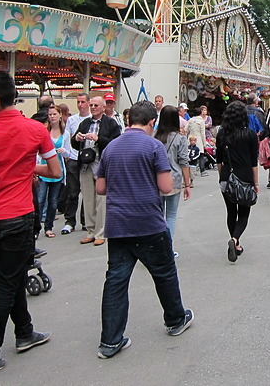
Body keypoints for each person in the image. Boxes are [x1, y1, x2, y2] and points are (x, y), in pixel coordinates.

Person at [0, 71, 61, 375]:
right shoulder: (35, 129)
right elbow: (54, 171)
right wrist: (26, 168)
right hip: (19, 215)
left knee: (12, 275)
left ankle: (24, 332)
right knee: (8, 282)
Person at [95, 100, 193, 360]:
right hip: (147, 222)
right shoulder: (153, 146)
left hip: (117, 225)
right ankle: (175, 319)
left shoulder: (111, 147)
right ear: (151, 122)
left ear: (129, 120)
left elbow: (100, 188)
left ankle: (110, 341)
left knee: (116, 280)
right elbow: (164, 186)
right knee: (164, 273)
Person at [72, 96, 121, 246]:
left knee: (102, 200)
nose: (93, 107)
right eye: (91, 105)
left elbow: (115, 143)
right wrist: (77, 138)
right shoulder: (85, 123)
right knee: (87, 199)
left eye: (96, 105)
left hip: (101, 165)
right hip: (86, 165)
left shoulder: (110, 123)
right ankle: (90, 231)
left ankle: (101, 232)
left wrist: (98, 138)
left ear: (103, 107)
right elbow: (73, 143)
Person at [216, 101, 259, 262]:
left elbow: (218, 161)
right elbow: (254, 162)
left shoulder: (221, 134)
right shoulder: (250, 134)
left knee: (231, 212)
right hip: (245, 176)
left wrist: (222, 178)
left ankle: (236, 242)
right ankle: (234, 240)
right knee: (244, 213)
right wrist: (256, 183)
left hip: (227, 177)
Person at [154, 106, 191, 253]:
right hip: (174, 179)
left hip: (156, 179)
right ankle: (167, 248)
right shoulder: (180, 138)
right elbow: (184, 161)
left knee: (158, 215)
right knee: (171, 215)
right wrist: (187, 184)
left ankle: (157, 247)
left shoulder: (154, 137)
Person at [61, 93, 91, 234]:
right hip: (73, 157)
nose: (80, 105)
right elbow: (67, 137)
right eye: (78, 102)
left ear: (88, 103)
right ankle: (69, 221)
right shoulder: (72, 120)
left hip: (87, 159)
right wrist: (66, 154)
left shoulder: (92, 120)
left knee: (87, 191)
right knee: (72, 192)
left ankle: (86, 220)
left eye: (83, 102)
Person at [38, 105, 66, 239]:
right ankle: (36, 228)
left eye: (54, 114)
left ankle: (48, 228)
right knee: (40, 199)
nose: (52, 117)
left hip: (58, 170)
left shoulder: (65, 132)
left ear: (60, 115)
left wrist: (64, 151)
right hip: (44, 170)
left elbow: (70, 152)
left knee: (53, 201)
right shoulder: (44, 131)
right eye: (50, 115)